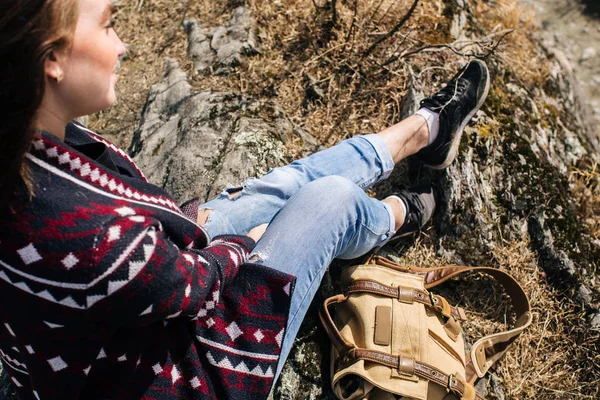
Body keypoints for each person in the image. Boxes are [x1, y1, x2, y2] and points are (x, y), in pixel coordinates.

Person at [0, 0, 490, 399]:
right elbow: (191, 285)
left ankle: (424, 130)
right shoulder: (78, 226)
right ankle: (400, 213)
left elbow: (137, 261)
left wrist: (187, 226)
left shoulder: (26, 151)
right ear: (52, 59)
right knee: (330, 199)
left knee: (278, 188)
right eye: (108, 25)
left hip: (128, 334)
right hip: (189, 371)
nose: (122, 44)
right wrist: (239, 243)